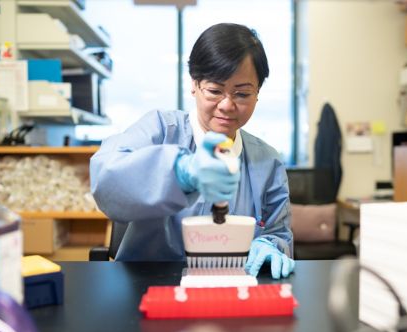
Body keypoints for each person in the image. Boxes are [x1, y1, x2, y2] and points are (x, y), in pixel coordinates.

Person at [90, 23, 294, 279]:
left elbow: (278, 233)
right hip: (147, 286)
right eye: (215, 91)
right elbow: (105, 179)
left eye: (242, 93)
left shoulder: (268, 161)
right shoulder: (160, 130)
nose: (227, 105)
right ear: (194, 85)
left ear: (257, 93)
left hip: (231, 292)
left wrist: (270, 246)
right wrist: (180, 172)